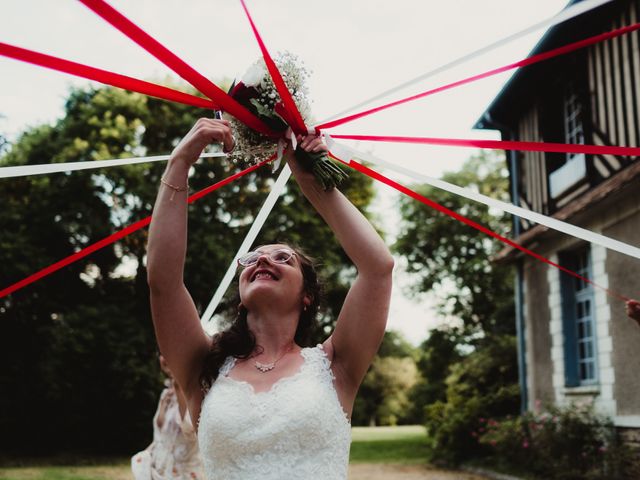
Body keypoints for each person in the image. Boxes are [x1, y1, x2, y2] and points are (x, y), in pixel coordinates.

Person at [146, 118, 394, 480]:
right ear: (242, 293)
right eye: (251, 258)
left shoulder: (337, 364)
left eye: (282, 258)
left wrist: (309, 178)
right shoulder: (204, 366)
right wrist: (180, 161)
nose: (262, 259)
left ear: (307, 296)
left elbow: (378, 268)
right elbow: (163, 281)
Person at [132, 355, 204, 480]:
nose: (165, 355)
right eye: (161, 351)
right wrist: (144, 459)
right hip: (159, 470)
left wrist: (178, 386)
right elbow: (159, 435)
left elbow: (191, 431)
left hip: (183, 474)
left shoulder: (198, 392)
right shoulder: (165, 394)